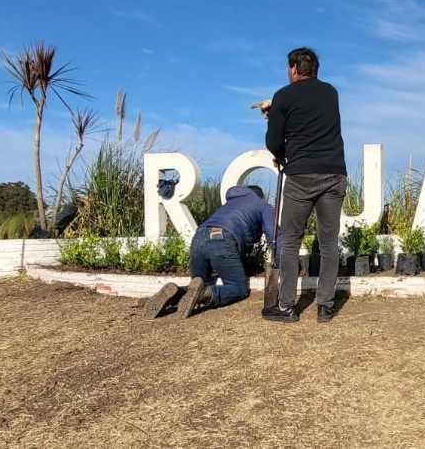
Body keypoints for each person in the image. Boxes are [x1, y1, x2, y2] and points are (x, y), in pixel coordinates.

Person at [261, 47, 347, 324]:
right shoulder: (330, 92)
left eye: (289, 68)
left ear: (294, 69)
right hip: (334, 173)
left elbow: (274, 141)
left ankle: (286, 307)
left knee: (290, 242)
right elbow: (314, 121)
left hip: (300, 175)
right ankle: (325, 306)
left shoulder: (283, 96)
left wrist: (280, 145)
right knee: (329, 243)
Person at [143, 185, 277, 319]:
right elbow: (274, 237)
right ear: (260, 196)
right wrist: (284, 263)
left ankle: (176, 292)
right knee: (238, 288)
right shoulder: (262, 205)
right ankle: (205, 293)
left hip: (199, 237)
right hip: (224, 239)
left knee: (197, 284)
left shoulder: (230, 203)